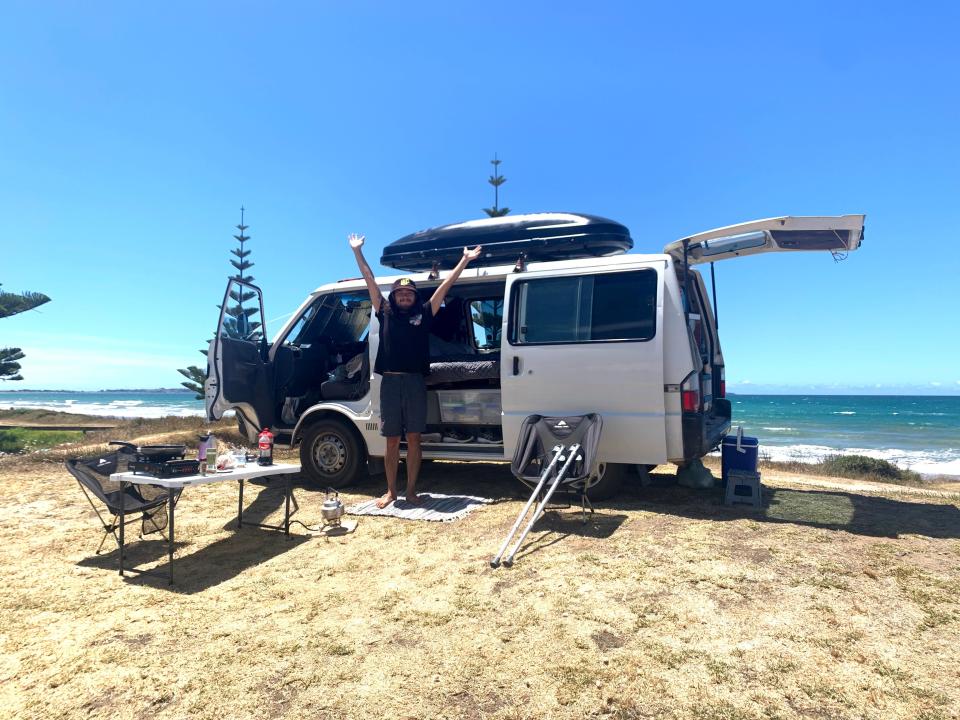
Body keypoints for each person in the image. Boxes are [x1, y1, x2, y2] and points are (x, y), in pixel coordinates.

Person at [349, 233, 482, 507]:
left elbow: (445, 285)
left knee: (414, 439)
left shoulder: (424, 313)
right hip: (390, 384)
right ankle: (390, 491)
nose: (405, 296)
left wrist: (464, 260)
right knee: (391, 441)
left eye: (409, 293)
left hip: (415, 383)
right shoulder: (383, 310)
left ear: (414, 296)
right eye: (400, 293)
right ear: (394, 297)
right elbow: (369, 279)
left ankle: (411, 491)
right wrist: (357, 252)